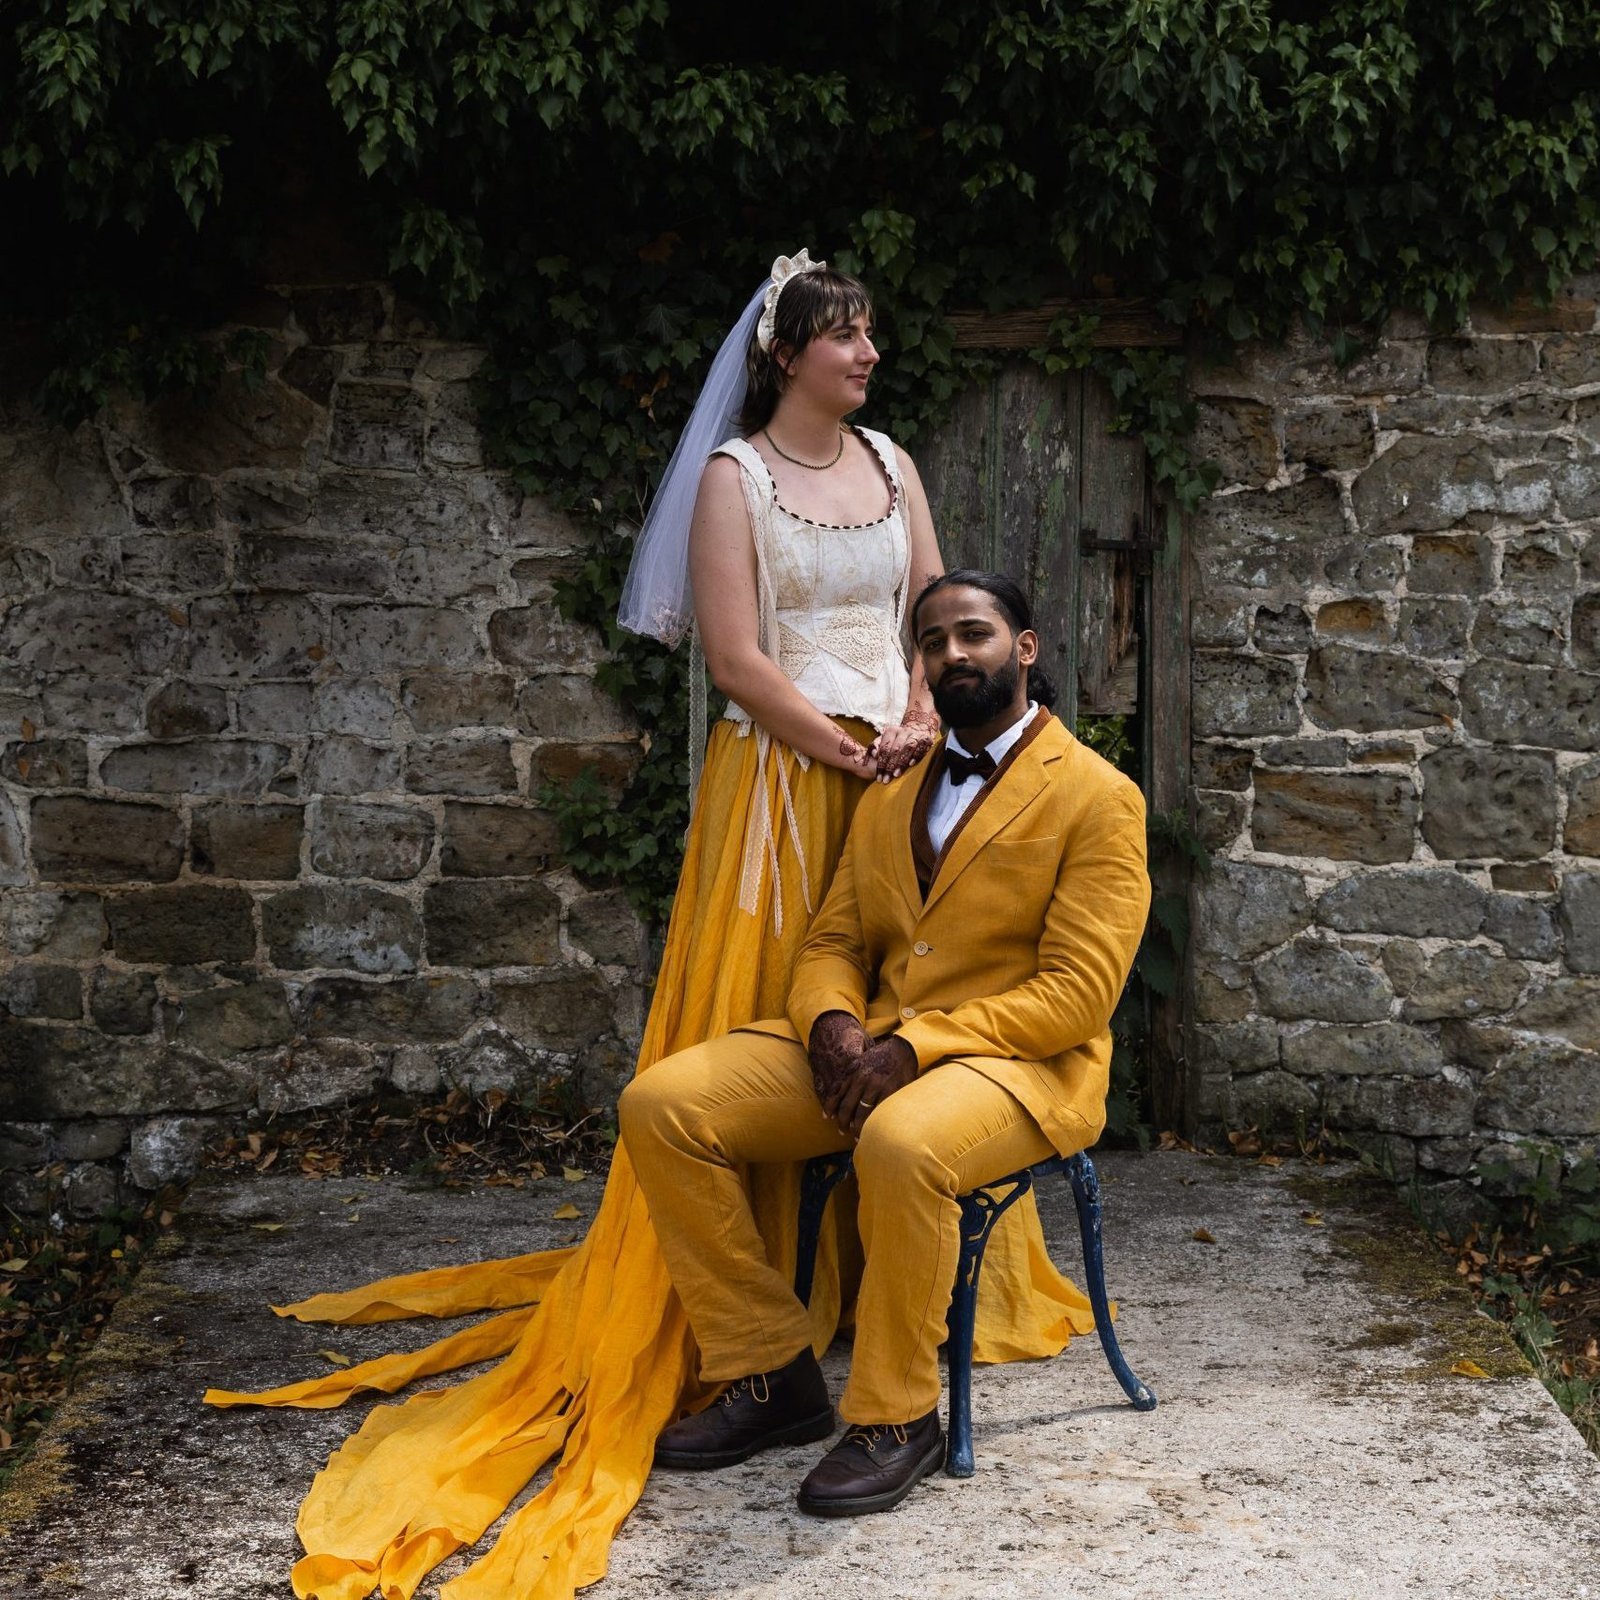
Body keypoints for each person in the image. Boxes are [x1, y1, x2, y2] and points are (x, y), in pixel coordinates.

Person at [204, 258, 1099, 1599]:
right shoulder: (737, 481)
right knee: (773, 1020)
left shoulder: (897, 463)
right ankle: (761, 1340)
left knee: (909, 1001)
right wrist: (842, 749)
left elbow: (929, 619)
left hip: (896, 770)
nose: (868, 352)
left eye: (869, 333)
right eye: (844, 335)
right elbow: (736, 661)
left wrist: (916, 720)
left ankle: (882, 1303)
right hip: (786, 785)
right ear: (787, 353)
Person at [620, 569, 1150, 1515]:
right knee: (663, 1106)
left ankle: (899, 1416)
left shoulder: (1100, 797)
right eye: (935, 641)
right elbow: (832, 939)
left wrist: (915, 1048)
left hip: (1017, 1068)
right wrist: (830, 1022)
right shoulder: (892, 787)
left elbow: (1075, 996)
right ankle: (772, 1370)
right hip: (870, 1048)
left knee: (901, 1143)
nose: (954, 654)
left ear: (1024, 648)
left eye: (975, 634)